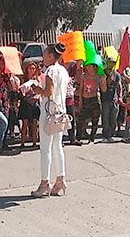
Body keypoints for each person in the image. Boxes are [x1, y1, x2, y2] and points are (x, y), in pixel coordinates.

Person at [30, 44, 69, 197]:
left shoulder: (51, 70)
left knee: (45, 148)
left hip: (48, 113)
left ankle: (44, 183)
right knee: (57, 146)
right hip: (60, 112)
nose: (43, 57)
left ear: (51, 56)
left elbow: (48, 92)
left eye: (45, 55)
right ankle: (60, 179)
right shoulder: (63, 71)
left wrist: (37, 89)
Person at [77, 63, 106, 143]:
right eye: (87, 66)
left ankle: (92, 136)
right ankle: (78, 136)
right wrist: (80, 100)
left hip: (94, 100)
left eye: (90, 66)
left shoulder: (98, 77)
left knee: (95, 119)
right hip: (85, 99)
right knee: (81, 119)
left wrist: (103, 82)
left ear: (94, 68)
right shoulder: (84, 76)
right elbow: (81, 89)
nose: (88, 68)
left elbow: (104, 90)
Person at [19, 62, 41, 147]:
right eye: (30, 68)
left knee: (34, 123)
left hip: (34, 103)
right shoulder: (24, 79)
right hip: (25, 103)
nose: (32, 70)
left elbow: (40, 91)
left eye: (33, 69)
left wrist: (36, 97)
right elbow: (20, 91)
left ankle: (34, 142)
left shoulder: (36, 80)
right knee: (25, 123)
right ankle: (22, 142)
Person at [101, 57, 122, 143]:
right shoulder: (103, 73)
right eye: (110, 62)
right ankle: (106, 135)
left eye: (113, 63)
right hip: (105, 100)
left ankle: (112, 133)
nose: (111, 64)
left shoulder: (116, 74)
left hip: (114, 100)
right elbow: (103, 89)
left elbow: (119, 86)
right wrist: (106, 81)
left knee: (113, 119)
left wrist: (120, 96)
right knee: (105, 119)